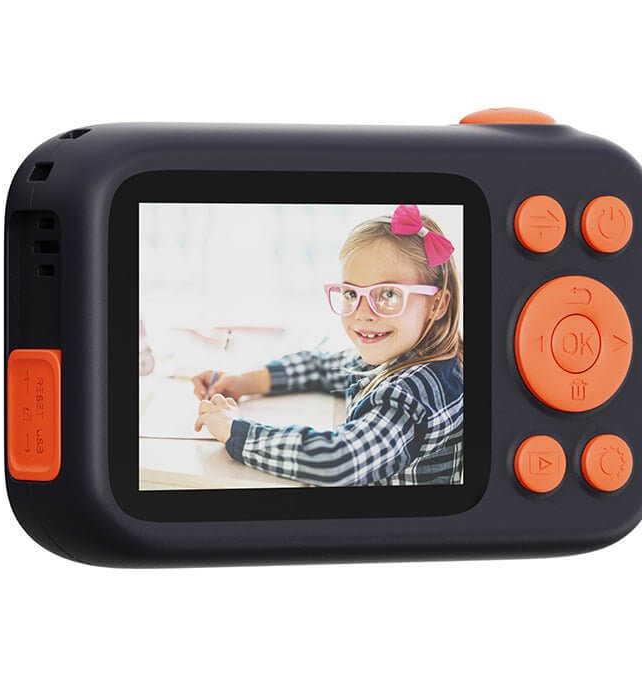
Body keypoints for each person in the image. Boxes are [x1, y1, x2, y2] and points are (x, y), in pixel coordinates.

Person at [191, 205, 463, 485]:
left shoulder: (416, 395)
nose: (362, 313)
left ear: (437, 304)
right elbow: (321, 366)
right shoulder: (402, 356)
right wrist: (241, 383)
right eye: (351, 293)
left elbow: (336, 460)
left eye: (388, 294)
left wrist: (234, 430)